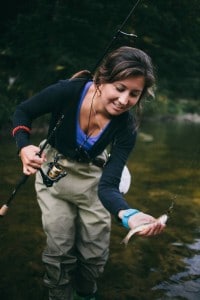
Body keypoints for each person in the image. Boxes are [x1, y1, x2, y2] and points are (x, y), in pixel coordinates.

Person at [12, 46, 166, 300]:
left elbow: (107, 186)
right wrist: (23, 147)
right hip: (53, 176)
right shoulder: (67, 91)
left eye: (134, 94)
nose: (124, 100)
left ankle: (86, 293)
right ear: (101, 79)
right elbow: (23, 112)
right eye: (120, 88)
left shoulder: (126, 128)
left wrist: (128, 215)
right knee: (59, 250)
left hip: (93, 182)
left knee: (94, 253)